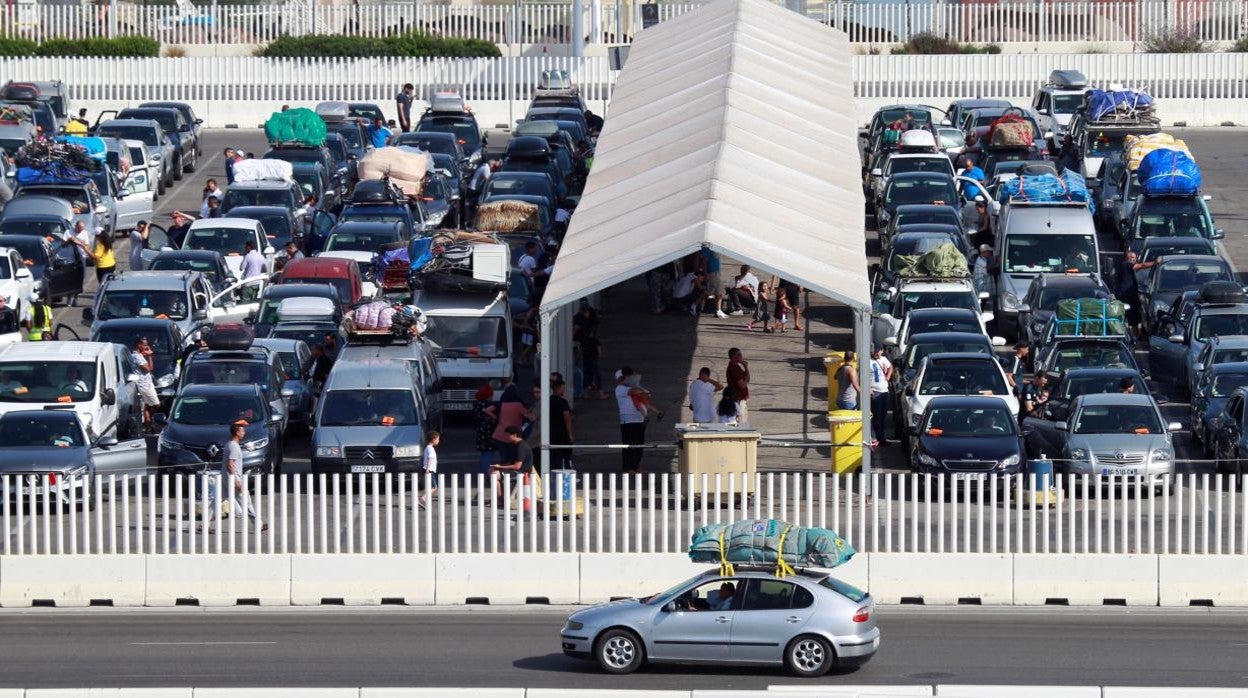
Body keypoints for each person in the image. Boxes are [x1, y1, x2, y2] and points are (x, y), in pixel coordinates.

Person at [201, 421, 266, 533]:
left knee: (216, 502)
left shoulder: (228, 444)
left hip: (225, 477)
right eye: (242, 431)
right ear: (237, 432)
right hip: (232, 479)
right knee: (246, 502)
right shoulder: (234, 446)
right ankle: (258, 525)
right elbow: (230, 464)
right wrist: (236, 480)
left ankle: (204, 525)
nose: (244, 433)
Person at [488, 425, 535, 504]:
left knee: (494, 475)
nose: (506, 437)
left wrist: (500, 467)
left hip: (522, 472)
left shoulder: (521, 446)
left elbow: (517, 466)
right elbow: (511, 463)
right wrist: (498, 467)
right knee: (492, 470)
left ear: (514, 435)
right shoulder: (515, 445)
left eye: (508, 435)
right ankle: (500, 498)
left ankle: (499, 500)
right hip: (516, 470)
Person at [616, 366, 648, 474]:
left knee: (639, 445)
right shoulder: (620, 389)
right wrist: (636, 386)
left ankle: (635, 466)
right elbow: (635, 392)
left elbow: (646, 394)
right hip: (627, 421)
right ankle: (628, 468)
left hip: (639, 419)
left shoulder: (632, 386)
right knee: (629, 445)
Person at [131, 337, 160, 432]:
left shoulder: (141, 355)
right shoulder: (136, 356)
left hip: (148, 383)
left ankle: (148, 424)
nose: (146, 347)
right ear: (138, 345)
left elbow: (151, 368)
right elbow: (148, 369)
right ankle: (148, 420)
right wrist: (148, 355)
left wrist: (149, 356)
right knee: (156, 404)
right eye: (144, 345)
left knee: (148, 405)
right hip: (143, 384)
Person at [869, 344, 892, 445]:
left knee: (883, 415)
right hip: (875, 392)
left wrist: (888, 376)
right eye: (875, 352)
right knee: (877, 416)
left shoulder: (884, 359)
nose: (877, 354)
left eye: (878, 352)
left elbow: (890, 367)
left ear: (882, 351)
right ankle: (880, 438)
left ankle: (881, 436)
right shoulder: (868, 361)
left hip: (884, 391)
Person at [548, 379, 574, 471]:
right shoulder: (563, 402)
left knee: (554, 457)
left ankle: (554, 472)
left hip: (550, 433)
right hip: (562, 433)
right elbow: (567, 419)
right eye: (563, 388)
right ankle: (566, 471)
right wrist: (570, 434)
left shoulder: (548, 401)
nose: (564, 390)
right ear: (558, 388)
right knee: (566, 456)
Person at [473, 385, 498, 473]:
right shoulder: (488, 405)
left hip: (481, 433)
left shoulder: (477, 404)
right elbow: (492, 419)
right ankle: (487, 472)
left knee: (484, 453)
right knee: (488, 453)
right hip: (488, 433)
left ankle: (484, 470)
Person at [726, 348, 750, 423]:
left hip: (740, 399)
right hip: (737, 399)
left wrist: (746, 368)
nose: (741, 356)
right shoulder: (733, 369)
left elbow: (748, 379)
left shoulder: (737, 367)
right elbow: (742, 385)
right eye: (739, 355)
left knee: (742, 420)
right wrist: (745, 379)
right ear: (733, 356)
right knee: (741, 421)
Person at [418, 430, 439, 510]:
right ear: (433, 439)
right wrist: (428, 469)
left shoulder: (428, 448)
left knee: (430, 487)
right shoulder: (430, 449)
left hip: (428, 470)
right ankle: (423, 499)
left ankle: (424, 500)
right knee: (434, 487)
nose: (438, 441)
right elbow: (430, 458)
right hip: (429, 470)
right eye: (437, 439)